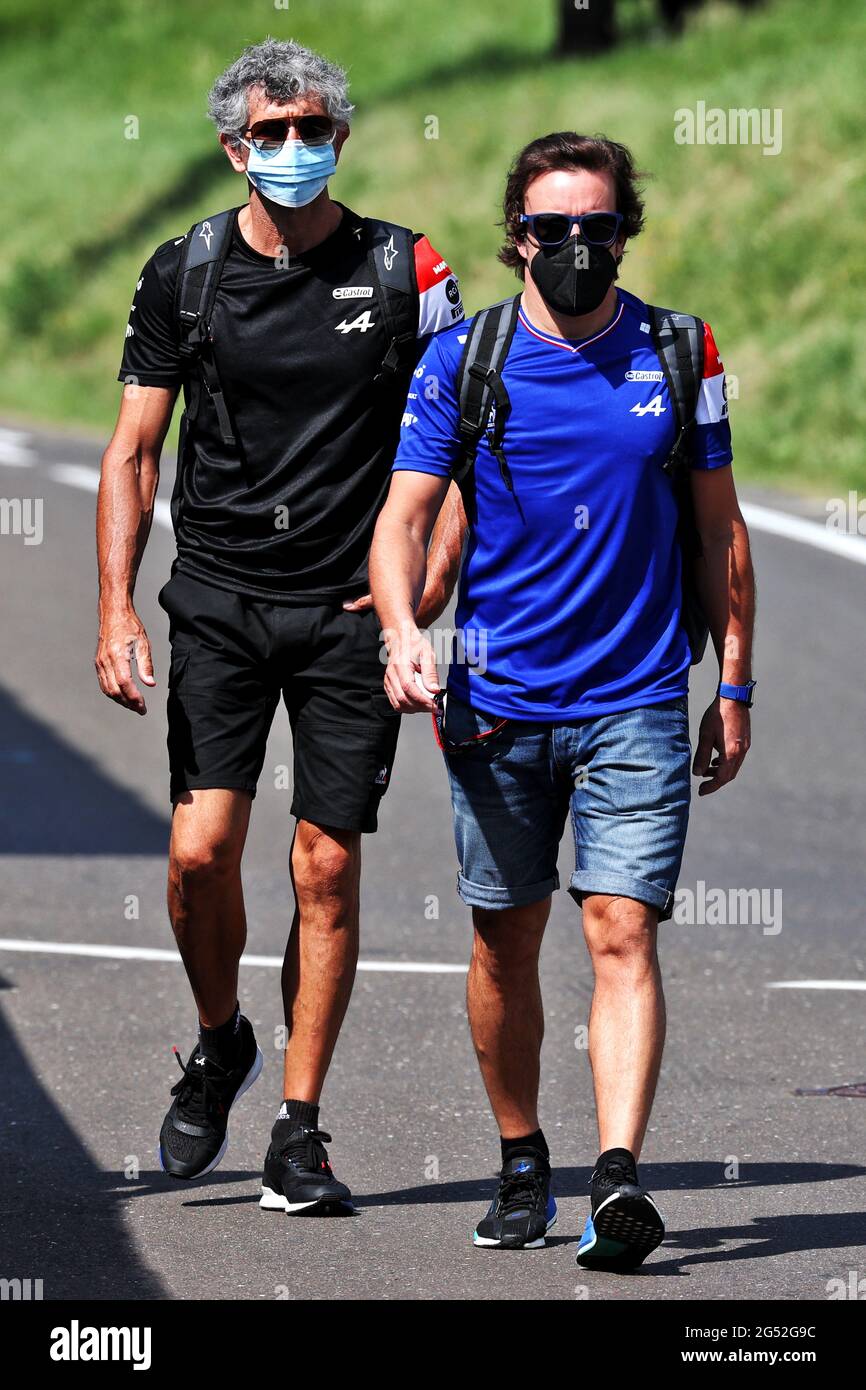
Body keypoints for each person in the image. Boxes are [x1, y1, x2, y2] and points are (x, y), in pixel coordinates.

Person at [370, 132, 755, 1266]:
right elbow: (401, 520)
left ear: (623, 229)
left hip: (636, 693)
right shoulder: (466, 360)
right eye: (552, 230)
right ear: (516, 237)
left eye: (596, 227)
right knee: (503, 939)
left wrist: (732, 679)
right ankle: (521, 1153)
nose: (575, 247)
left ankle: (617, 1179)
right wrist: (402, 631)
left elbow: (718, 534)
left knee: (619, 925)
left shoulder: (682, 352)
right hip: (495, 698)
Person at [95, 38, 464, 1213]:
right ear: (232, 147)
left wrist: (423, 592)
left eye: (313, 129)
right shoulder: (184, 271)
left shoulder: (409, 269)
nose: (294, 149)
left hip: (353, 606)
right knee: (200, 853)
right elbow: (134, 449)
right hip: (218, 595)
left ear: (341, 137)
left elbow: (456, 447)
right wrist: (114, 605)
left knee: (325, 864)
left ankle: (299, 1128)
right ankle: (220, 1037)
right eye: (272, 133)